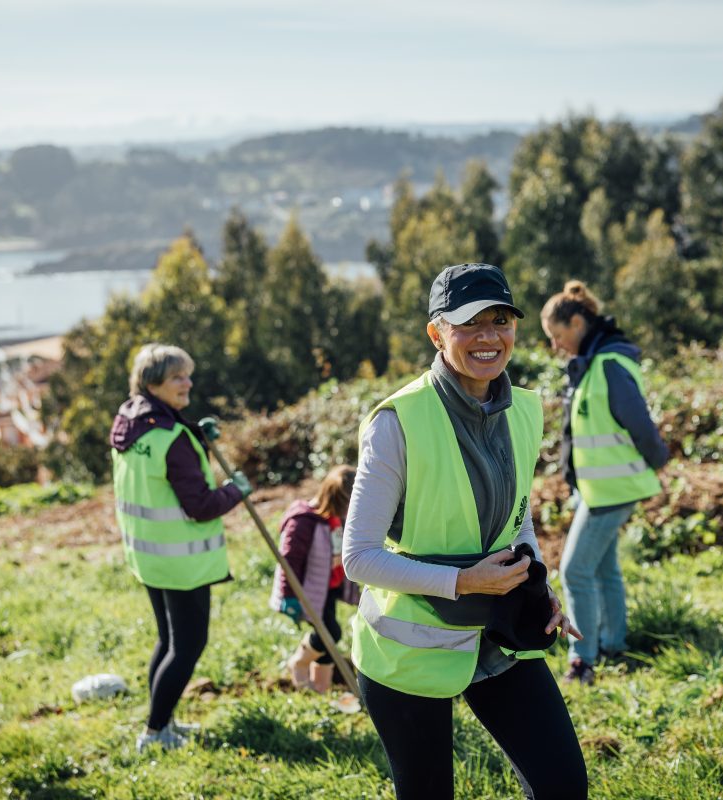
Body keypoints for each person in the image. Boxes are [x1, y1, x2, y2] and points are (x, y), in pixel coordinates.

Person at [343, 262, 587, 800]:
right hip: (408, 649)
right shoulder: (396, 421)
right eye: (468, 323)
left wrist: (538, 585)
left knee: (563, 786)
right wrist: (463, 583)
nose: (487, 336)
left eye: (500, 320)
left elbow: (515, 515)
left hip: (500, 627)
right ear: (436, 332)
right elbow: (357, 558)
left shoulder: (524, 409)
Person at [109, 343, 253, 753]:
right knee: (187, 646)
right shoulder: (171, 437)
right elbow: (201, 505)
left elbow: (164, 473)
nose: (187, 382)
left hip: (149, 556)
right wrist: (236, 491)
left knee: (167, 641)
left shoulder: (129, 422)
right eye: (177, 377)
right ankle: (154, 734)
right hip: (182, 562)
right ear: (153, 383)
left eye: (188, 374)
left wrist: (196, 437)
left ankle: (163, 722)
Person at [540, 280, 669, 685]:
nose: (556, 347)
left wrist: (657, 460)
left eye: (558, 336)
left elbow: (641, 426)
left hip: (611, 491)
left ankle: (583, 661)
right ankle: (614, 645)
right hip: (598, 489)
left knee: (575, 570)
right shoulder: (593, 363)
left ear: (577, 322)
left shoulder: (609, 364)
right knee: (604, 568)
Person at [270, 465, 358, 693]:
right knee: (331, 633)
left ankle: (321, 689)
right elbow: (289, 561)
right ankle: (298, 664)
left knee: (328, 640)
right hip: (309, 592)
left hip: (330, 587)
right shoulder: (303, 522)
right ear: (335, 497)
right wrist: (288, 596)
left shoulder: (342, 519)